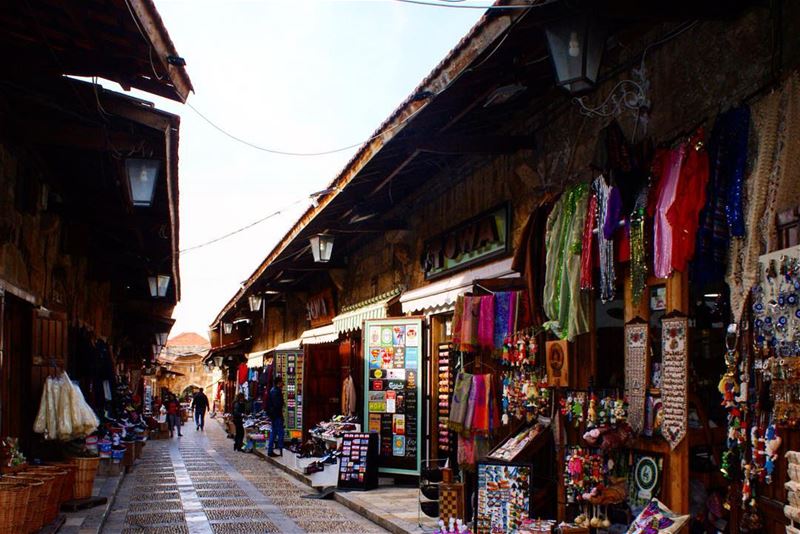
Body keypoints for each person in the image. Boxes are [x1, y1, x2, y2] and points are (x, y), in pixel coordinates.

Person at [267, 375, 284, 457]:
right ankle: (281, 450)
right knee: (280, 432)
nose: (282, 383)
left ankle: (270, 450)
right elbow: (277, 404)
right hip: (277, 414)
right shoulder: (276, 391)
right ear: (279, 383)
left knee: (273, 432)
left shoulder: (272, 390)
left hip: (273, 415)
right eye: (281, 382)